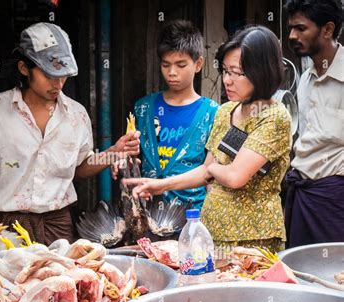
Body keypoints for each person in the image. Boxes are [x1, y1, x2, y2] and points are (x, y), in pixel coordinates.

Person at [0, 22, 140, 249]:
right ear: (24, 69)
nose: (58, 83)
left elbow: (80, 168)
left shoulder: (77, 115)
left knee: (60, 283)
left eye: (63, 75)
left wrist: (113, 153)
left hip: (58, 225)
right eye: (49, 74)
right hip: (5, 226)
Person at [124, 26, 292, 253]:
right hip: (212, 232)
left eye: (237, 72)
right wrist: (159, 185)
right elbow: (205, 171)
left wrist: (214, 169)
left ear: (263, 71)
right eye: (225, 71)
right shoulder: (226, 112)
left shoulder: (274, 117)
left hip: (252, 239)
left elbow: (234, 176)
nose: (227, 81)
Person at [112, 20, 219, 209]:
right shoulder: (143, 108)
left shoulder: (212, 113)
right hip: (146, 213)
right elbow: (136, 157)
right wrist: (125, 163)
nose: (172, 72)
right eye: (165, 64)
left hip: (192, 215)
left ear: (198, 64)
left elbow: (210, 172)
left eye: (180, 65)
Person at [284, 0, 344, 247]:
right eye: (291, 28)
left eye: (301, 28)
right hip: (303, 194)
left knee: (335, 278)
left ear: (327, 30)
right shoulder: (306, 79)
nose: (292, 36)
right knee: (300, 273)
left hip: (335, 200)